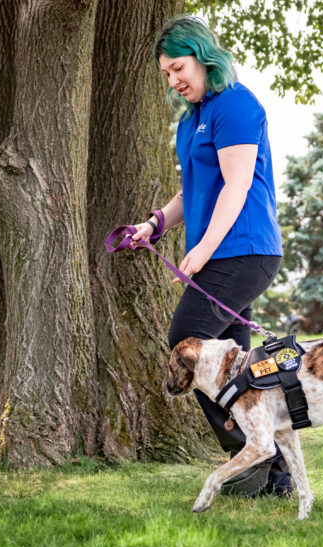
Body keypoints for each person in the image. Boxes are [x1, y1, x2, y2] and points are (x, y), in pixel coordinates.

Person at [128, 15, 291, 497]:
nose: (174, 80)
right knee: (234, 369)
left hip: (245, 250)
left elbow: (237, 185)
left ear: (204, 57)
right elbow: (193, 192)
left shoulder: (236, 105)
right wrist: (154, 225)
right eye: (166, 74)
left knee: (187, 340)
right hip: (221, 254)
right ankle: (274, 476)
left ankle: (248, 459)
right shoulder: (191, 120)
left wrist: (198, 252)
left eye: (179, 67)